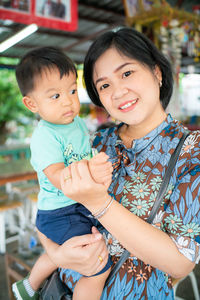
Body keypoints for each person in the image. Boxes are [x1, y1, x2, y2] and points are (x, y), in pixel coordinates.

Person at [38, 27, 200, 299]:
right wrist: (56, 253)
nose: (118, 91)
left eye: (127, 73)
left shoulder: (191, 151)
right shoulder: (92, 143)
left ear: (157, 72)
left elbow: (181, 261)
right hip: (64, 289)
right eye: (104, 85)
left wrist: (99, 203)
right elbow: (46, 207)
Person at [12, 46, 113, 300]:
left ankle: (27, 287)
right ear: (31, 103)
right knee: (98, 265)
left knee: (68, 251)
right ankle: (33, 284)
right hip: (60, 211)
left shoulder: (76, 123)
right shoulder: (45, 136)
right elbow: (59, 178)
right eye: (55, 96)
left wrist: (95, 167)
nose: (68, 100)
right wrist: (91, 171)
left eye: (71, 90)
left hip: (78, 206)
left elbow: (85, 155)